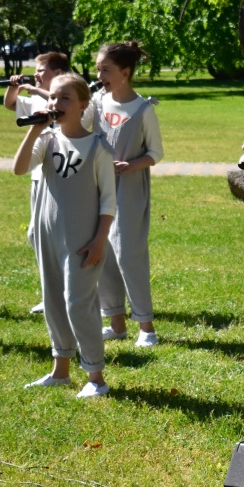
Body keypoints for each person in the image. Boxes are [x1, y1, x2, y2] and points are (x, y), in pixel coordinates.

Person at [13, 74, 117, 398]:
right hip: (49, 236)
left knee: (78, 303)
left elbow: (108, 201)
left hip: (83, 241)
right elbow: (19, 168)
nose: (56, 103)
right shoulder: (47, 140)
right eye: (53, 98)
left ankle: (96, 377)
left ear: (83, 104)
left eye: (65, 98)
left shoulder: (98, 147)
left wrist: (99, 239)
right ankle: (60, 371)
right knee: (54, 301)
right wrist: (35, 130)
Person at [87, 41, 163, 347]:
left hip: (129, 190)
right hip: (97, 189)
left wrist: (130, 165)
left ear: (125, 72)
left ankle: (147, 328)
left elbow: (156, 153)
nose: (100, 75)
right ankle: (116, 324)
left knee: (129, 255)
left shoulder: (143, 109)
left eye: (106, 69)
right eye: (98, 69)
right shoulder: (96, 103)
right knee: (101, 253)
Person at [5, 52, 69, 314]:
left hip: (62, 175)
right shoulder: (35, 100)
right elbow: (10, 104)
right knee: (36, 234)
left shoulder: (68, 98)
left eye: (41, 70)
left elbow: (61, 107)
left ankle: (69, 291)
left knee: (61, 237)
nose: (36, 75)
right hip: (38, 176)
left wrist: (36, 90)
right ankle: (52, 292)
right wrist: (14, 87)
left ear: (58, 73)